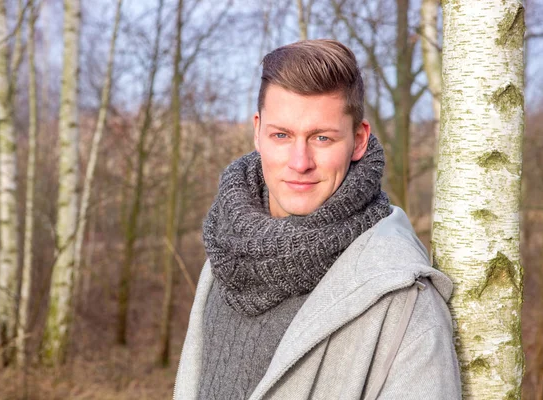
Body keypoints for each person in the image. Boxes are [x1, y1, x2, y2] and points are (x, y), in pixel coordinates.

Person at [174, 39, 461, 400]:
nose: (300, 161)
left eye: (321, 138)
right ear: (257, 132)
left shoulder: (403, 298)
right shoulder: (227, 245)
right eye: (282, 135)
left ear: (358, 141)